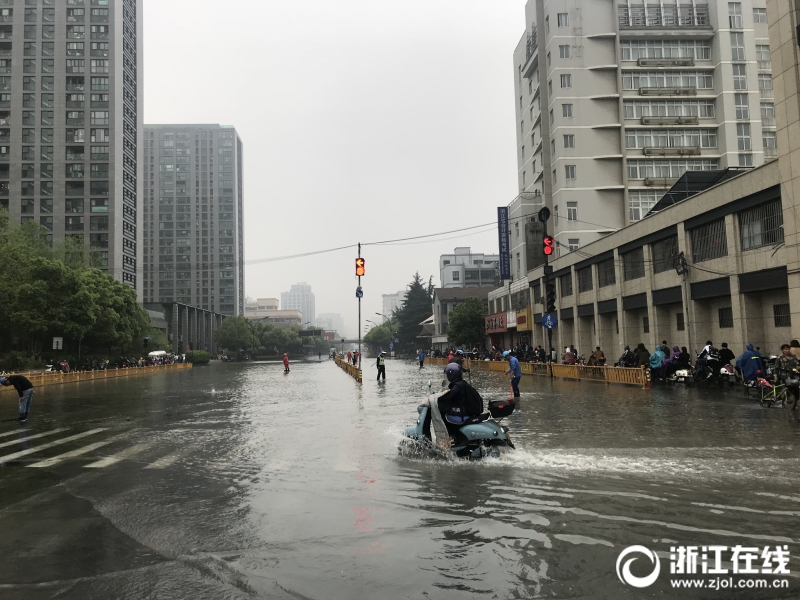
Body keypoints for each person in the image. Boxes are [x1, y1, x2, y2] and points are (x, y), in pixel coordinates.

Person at [421, 363, 483, 440]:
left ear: (451, 375)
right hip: (464, 410)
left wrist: (436, 398)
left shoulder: (458, 385)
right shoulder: (460, 383)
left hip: (462, 413)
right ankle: (451, 436)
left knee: (442, 414)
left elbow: (450, 395)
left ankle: (449, 437)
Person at [776, 344, 800, 408]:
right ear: (782, 350)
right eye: (785, 349)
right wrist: (776, 376)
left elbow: (797, 364)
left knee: (796, 387)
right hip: (784, 376)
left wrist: (797, 369)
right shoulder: (780, 358)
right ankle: (787, 399)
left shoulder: (793, 357)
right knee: (787, 388)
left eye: (788, 349)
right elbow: (776, 368)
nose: (787, 350)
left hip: (793, 375)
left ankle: (797, 400)